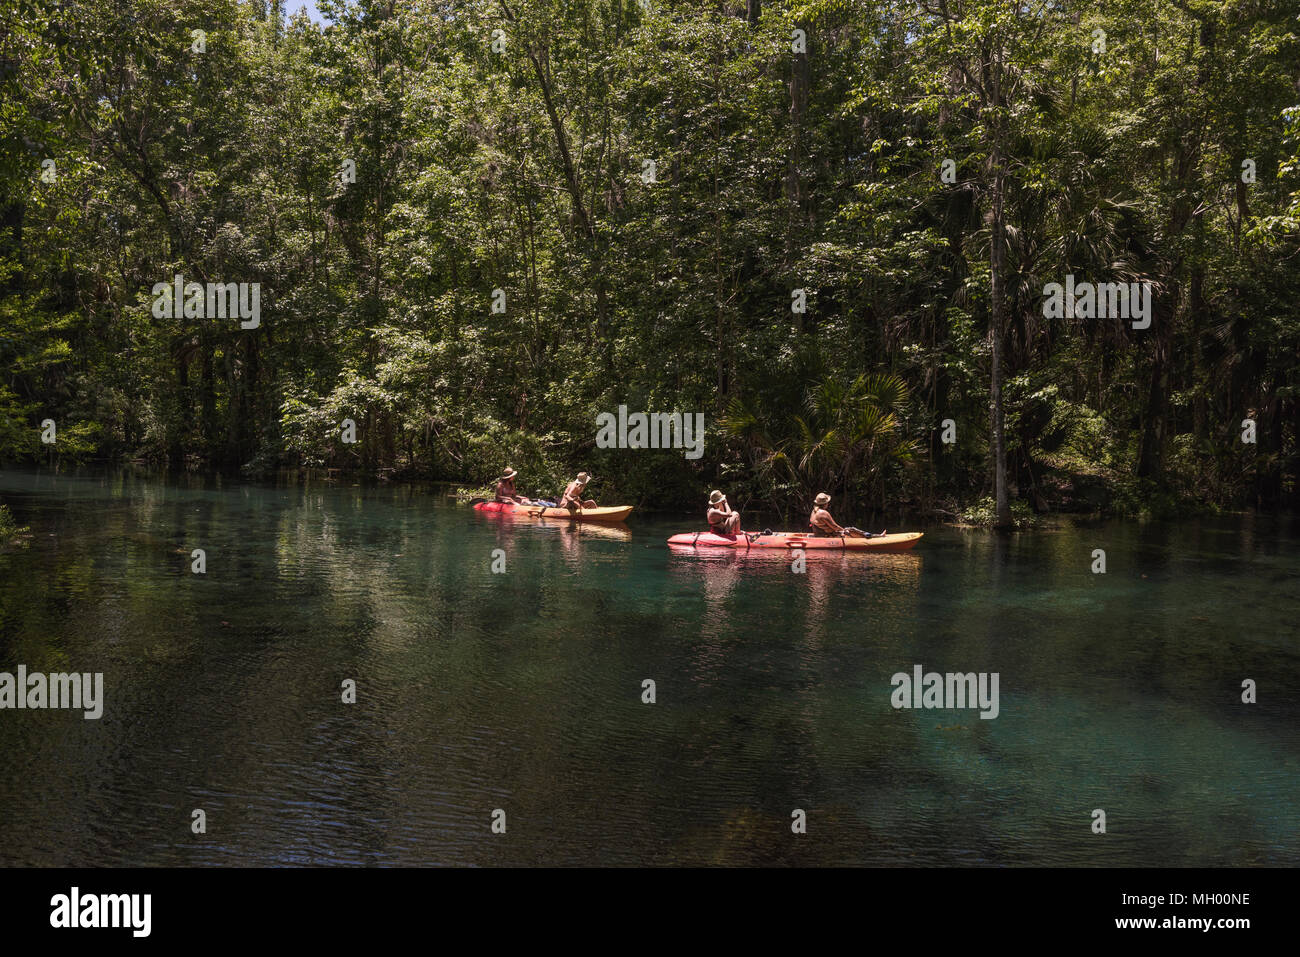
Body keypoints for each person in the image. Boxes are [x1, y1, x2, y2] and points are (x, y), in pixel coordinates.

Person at [809, 492, 884, 538]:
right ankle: (878, 537)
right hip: (827, 537)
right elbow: (835, 527)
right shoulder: (823, 513)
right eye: (827, 502)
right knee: (851, 530)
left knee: (849, 530)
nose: (828, 504)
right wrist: (844, 531)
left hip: (820, 535)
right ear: (825, 503)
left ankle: (876, 536)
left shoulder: (814, 511)